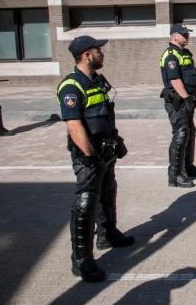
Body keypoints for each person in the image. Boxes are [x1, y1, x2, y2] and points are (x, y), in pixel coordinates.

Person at [56, 35, 134, 283]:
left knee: (108, 191)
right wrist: (90, 157)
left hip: (105, 149)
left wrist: (115, 141)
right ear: (87, 55)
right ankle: (81, 259)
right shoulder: (71, 86)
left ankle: (108, 234)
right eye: (98, 50)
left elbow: (106, 116)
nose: (103, 53)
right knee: (86, 201)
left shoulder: (97, 80)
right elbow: (74, 126)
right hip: (88, 153)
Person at [160, 23, 196, 188]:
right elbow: (175, 79)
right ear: (174, 36)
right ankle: (175, 175)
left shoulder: (184, 53)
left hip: (187, 100)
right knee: (181, 134)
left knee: (189, 132)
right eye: (184, 34)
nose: (187, 37)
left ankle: (187, 167)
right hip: (178, 102)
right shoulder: (170, 55)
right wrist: (186, 98)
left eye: (188, 34)